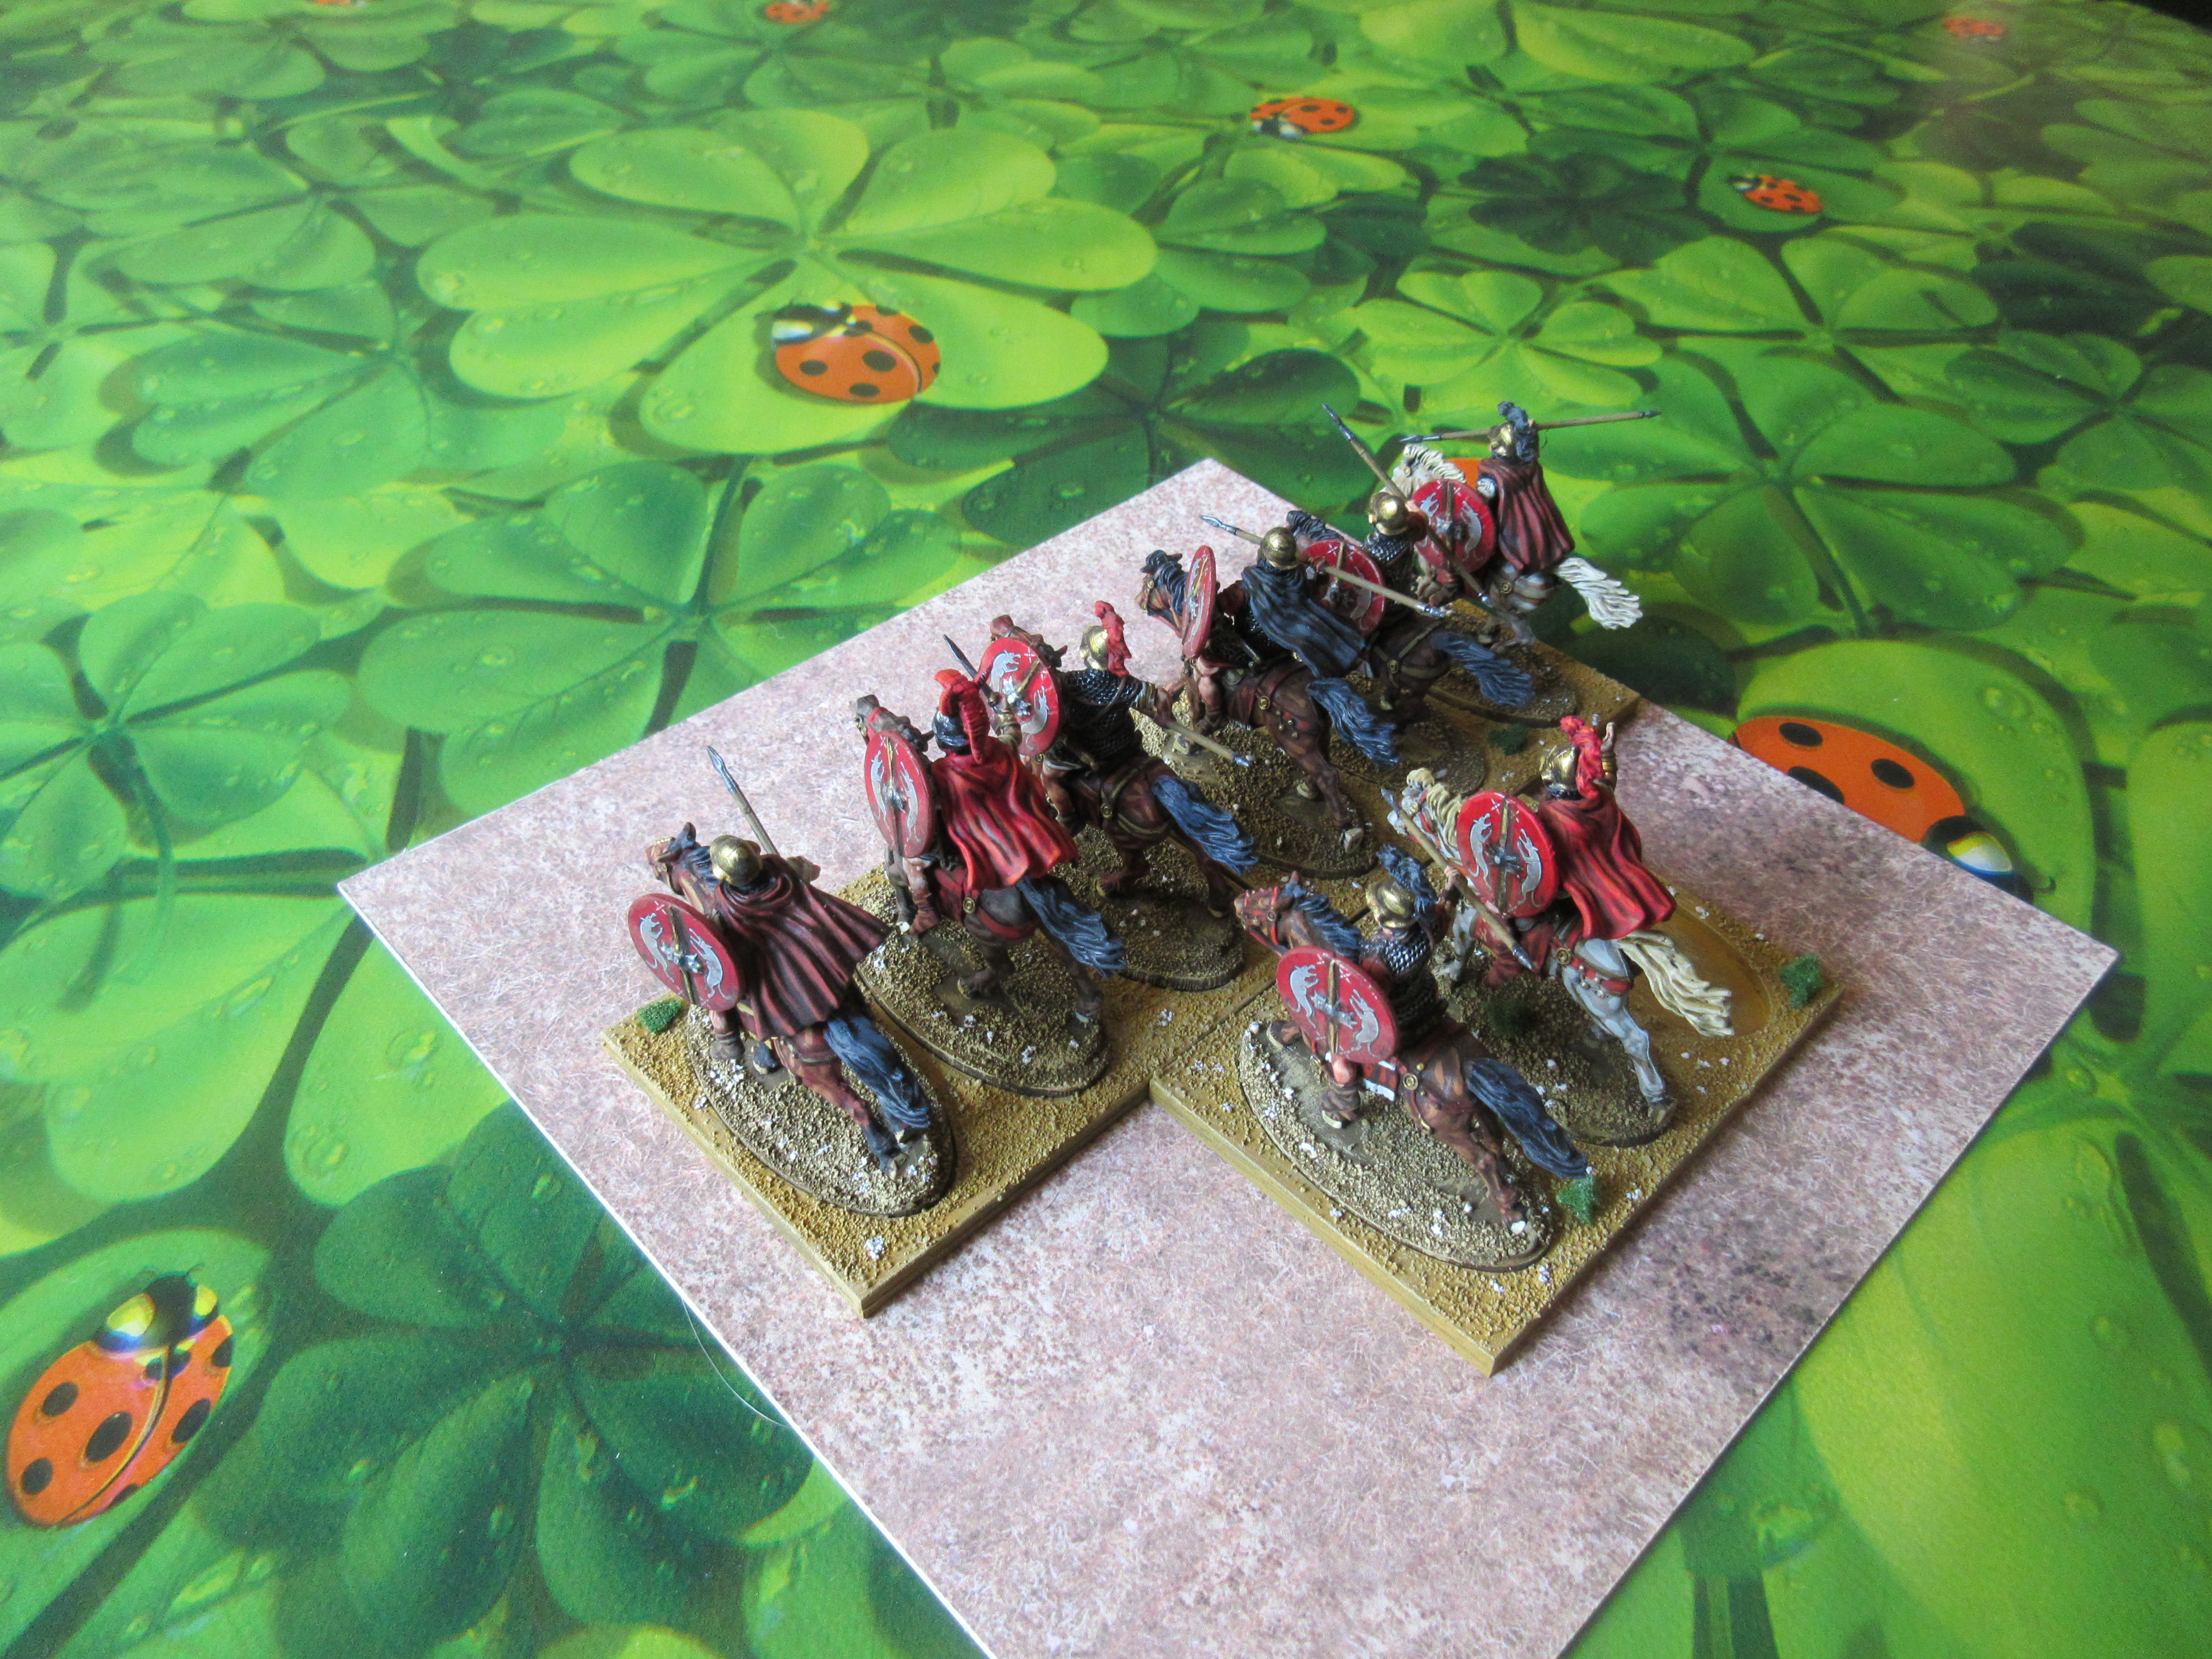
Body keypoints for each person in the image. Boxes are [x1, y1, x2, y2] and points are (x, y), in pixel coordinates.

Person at [646, 824, 930, 1168]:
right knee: (840, 985)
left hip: (785, 984)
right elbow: (813, 870)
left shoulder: (721, 911)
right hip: (819, 967)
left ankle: (729, 1041)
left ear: (723, 877)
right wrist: (792, 876)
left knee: (726, 997)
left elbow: (715, 966)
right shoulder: (783, 870)